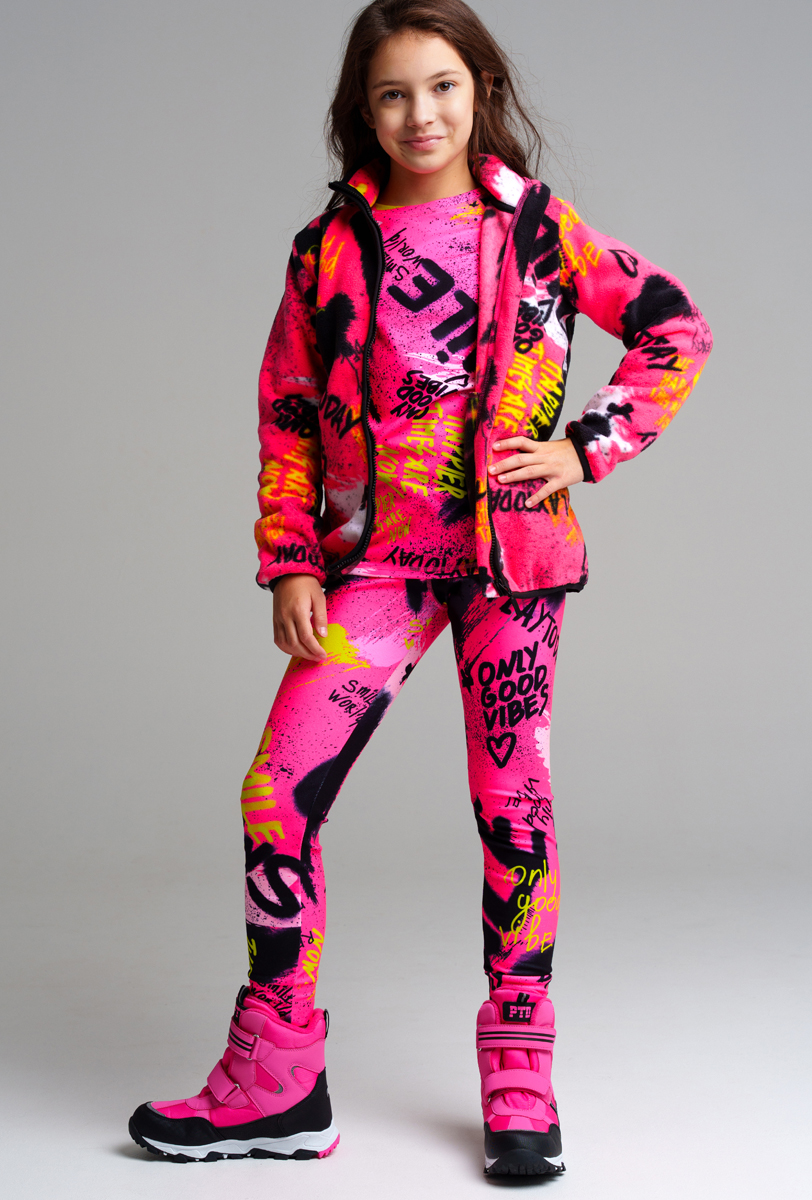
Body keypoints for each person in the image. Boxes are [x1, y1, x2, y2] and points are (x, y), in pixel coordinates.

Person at [128, 0, 711, 1176]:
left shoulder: (536, 228)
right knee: (276, 795)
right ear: (364, 109)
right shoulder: (327, 250)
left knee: (513, 810)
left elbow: (674, 330)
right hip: (377, 570)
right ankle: (277, 1076)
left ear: (479, 89)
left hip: (511, 567)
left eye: (442, 87)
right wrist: (292, 558)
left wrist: (585, 448)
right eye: (393, 93)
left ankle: (520, 1072)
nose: (421, 114)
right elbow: (288, 411)